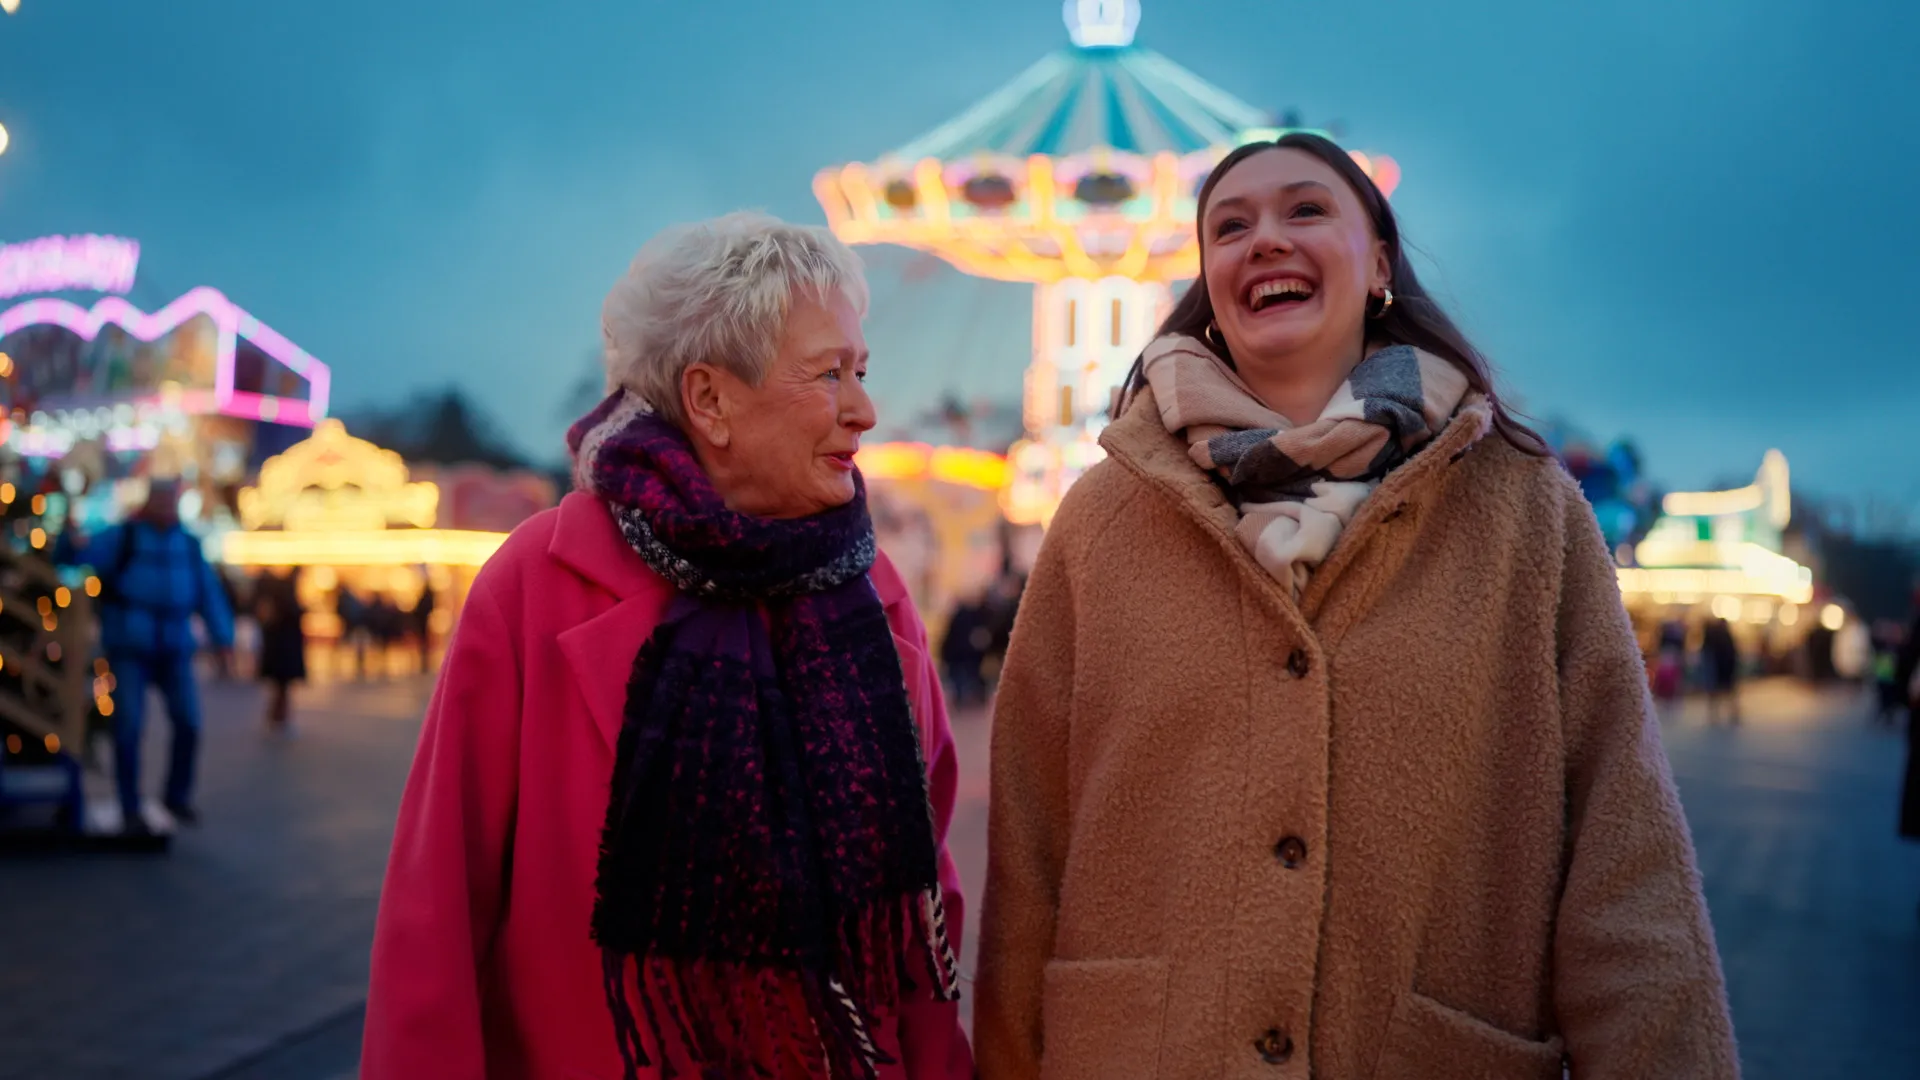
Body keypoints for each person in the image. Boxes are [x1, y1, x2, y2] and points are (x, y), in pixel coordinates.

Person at [976, 134, 1737, 1078]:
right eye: (1230, 226)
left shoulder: (1519, 509)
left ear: (1379, 260)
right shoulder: (1103, 519)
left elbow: (1625, 861)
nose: (1264, 240)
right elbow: (1028, 852)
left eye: (1305, 210)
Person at [363, 213, 972, 1080]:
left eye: (862, 371)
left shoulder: (874, 596)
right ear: (710, 398)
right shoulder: (535, 585)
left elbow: (923, 911)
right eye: (828, 374)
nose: (865, 411)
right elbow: (437, 914)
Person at [57, 477, 234, 833]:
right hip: (131, 646)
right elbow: (77, 556)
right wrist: (67, 536)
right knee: (129, 727)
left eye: (172, 500)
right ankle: (130, 805)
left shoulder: (187, 543)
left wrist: (223, 637)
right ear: (150, 501)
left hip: (175, 647)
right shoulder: (122, 536)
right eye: (162, 500)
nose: (167, 507)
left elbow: (207, 593)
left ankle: (177, 795)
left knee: (189, 723)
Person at [251, 567, 306, 729]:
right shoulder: (287, 596)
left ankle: (277, 718)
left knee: (280, 689)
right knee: (283, 688)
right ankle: (280, 719)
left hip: (280, 652)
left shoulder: (277, 596)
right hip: (285, 652)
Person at [1700, 616, 1742, 725]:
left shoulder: (1713, 636)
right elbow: (1733, 653)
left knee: (1717, 692)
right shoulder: (1725, 636)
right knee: (1728, 691)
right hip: (1725, 668)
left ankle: (1716, 714)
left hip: (1719, 668)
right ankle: (1732, 713)